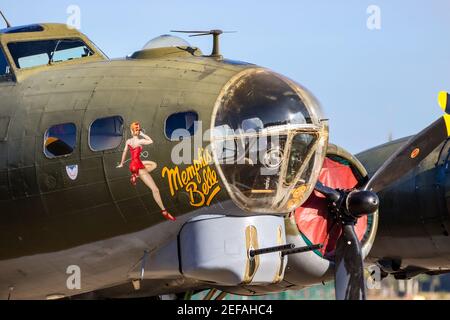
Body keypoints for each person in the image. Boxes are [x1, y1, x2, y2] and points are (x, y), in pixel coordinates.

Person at [117, 122, 176, 221]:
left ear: (131, 131)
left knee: (153, 165)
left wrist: (122, 163)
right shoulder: (140, 141)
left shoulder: (128, 141)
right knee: (155, 190)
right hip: (138, 166)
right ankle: (164, 211)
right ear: (137, 131)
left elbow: (124, 152)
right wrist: (142, 134)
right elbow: (151, 141)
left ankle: (135, 176)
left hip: (133, 165)